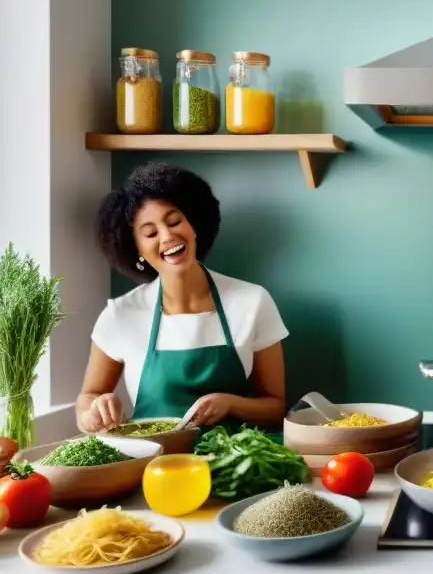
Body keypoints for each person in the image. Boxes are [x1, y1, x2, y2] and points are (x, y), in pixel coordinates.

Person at [75, 161, 289, 433]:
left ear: (193, 223)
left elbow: (275, 408)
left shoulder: (253, 302)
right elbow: (88, 398)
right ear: (136, 249)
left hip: (239, 462)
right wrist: (93, 412)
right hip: (153, 467)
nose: (168, 236)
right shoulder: (121, 314)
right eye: (150, 233)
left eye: (175, 221)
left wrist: (230, 404)